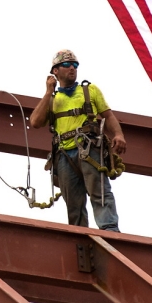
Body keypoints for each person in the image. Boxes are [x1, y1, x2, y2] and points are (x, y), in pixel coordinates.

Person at [29, 49, 128, 231]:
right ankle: (79, 235)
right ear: (55, 71)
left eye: (75, 65)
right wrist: (48, 92)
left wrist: (118, 134)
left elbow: (108, 115)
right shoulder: (52, 99)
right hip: (64, 154)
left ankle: (109, 230)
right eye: (66, 65)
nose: (72, 68)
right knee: (73, 201)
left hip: (88, 148)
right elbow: (35, 122)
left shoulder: (89, 90)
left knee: (100, 192)